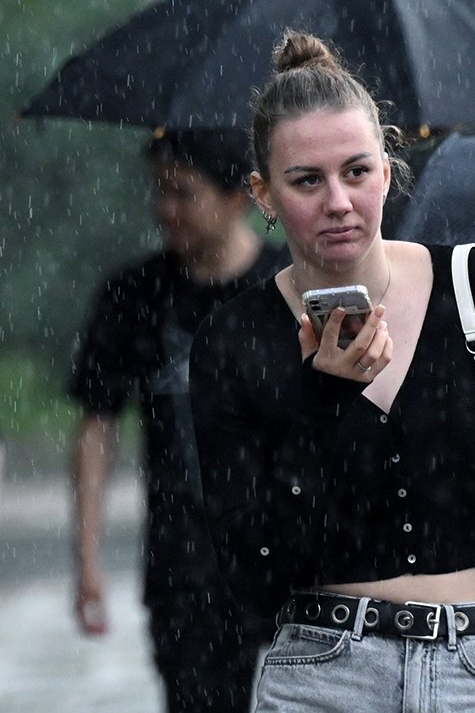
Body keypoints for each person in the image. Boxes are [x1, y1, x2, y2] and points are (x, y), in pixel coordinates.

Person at [189, 30, 475, 713]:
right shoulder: (234, 340)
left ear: (387, 166)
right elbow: (251, 575)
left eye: (356, 171)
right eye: (306, 181)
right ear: (263, 193)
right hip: (323, 672)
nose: (339, 202)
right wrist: (326, 402)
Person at [68, 128, 282, 712]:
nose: (166, 209)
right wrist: (86, 559)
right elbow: (97, 425)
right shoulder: (133, 294)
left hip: (287, 555)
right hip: (181, 560)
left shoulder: (288, 288)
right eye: (159, 192)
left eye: (183, 193)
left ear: (239, 196)